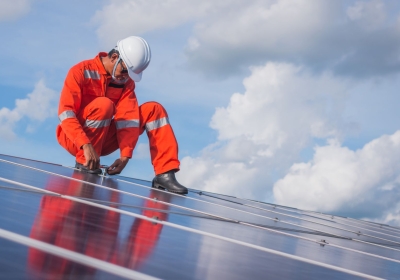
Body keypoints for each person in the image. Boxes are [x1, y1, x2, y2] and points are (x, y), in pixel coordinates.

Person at [56, 36, 188, 194]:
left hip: (103, 140)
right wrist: (85, 144)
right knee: (104, 104)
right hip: (74, 139)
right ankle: (86, 164)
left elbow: (129, 119)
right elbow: (66, 114)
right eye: (124, 71)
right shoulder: (80, 71)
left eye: (129, 75)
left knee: (154, 109)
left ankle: (165, 174)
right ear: (114, 57)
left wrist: (125, 156)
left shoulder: (125, 83)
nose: (125, 77)